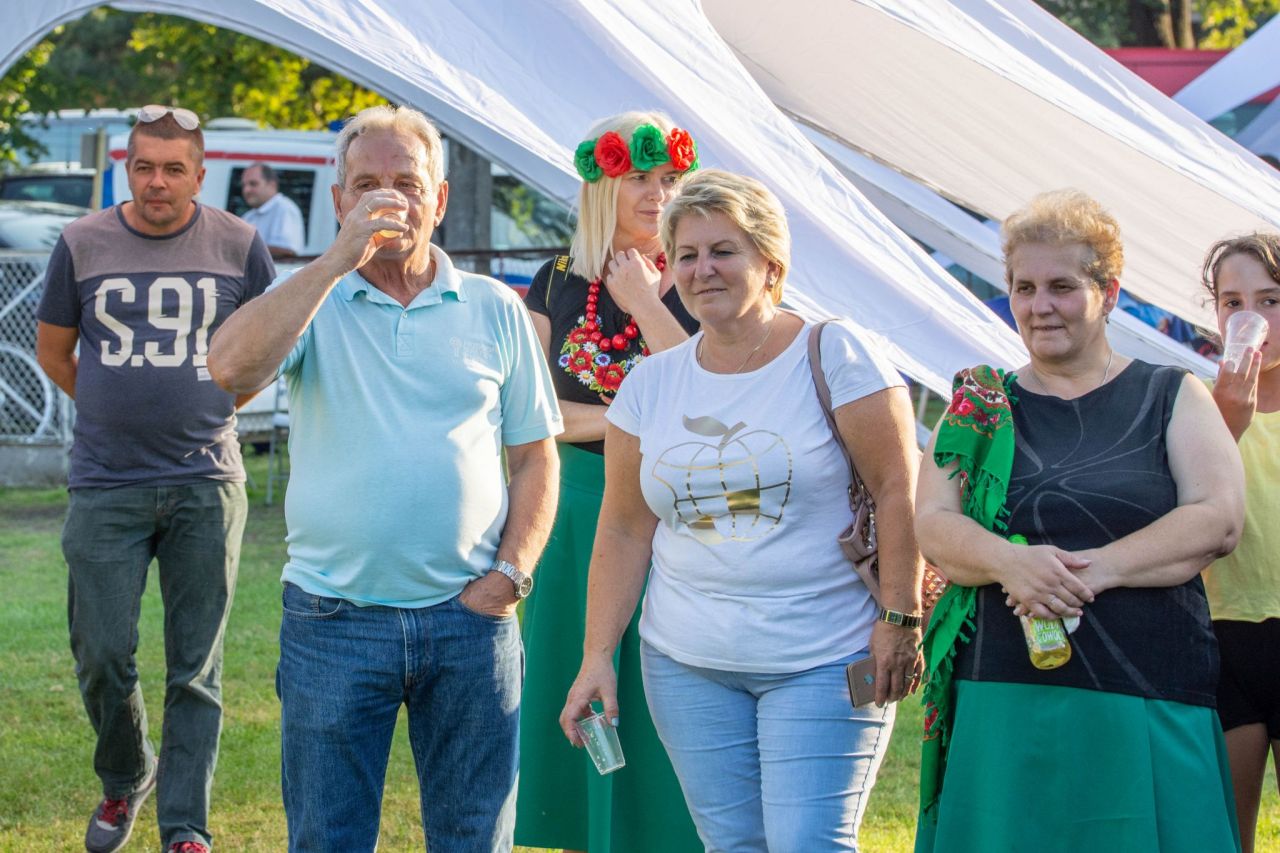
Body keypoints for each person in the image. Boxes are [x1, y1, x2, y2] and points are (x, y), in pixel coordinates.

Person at [205, 104, 561, 852]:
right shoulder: (313, 298)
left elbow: (535, 456)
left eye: (407, 182)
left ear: (440, 198)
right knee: (327, 837)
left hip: (471, 622)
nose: (388, 198)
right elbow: (229, 370)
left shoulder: (494, 307)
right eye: (366, 184)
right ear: (339, 201)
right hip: (334, 618)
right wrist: (335, 262)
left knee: (473, 837)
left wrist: (509, 578)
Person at [559, 169, 925, 851]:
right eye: (687, 255)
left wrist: (900, 620)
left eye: (724, 251)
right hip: (685, 664)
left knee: (808, 843)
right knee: (731, 847)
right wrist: (597, 655)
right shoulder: (649, 383)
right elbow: (625, 527)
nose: (703, 270)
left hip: (825, 655)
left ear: (771, 263)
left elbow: (898, 490)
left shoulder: (835, 354)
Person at [914, 189, 1245, 852]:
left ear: (1109, 292)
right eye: (1024, 287)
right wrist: (1013, 563)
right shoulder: (980, 404)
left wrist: (1087, 573)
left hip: (1147, 689)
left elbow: (1218, 517)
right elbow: (934, 523)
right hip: (1004, 693)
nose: (1040, 306)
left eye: (1061, 286)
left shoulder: (1171, 394)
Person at [34, 104, 274, 853]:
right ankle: (126, 774)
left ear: (200, 175)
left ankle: (185, 827)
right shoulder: (81, 242)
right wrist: (114, 410)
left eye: (174, 168)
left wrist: (209, 408)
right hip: (106, 482)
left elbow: (266, 350)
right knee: (101, 652)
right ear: (125, 170)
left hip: (207, 481)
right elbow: (55, 353)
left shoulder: (240, 245)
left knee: (196, 668)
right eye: (144, 167)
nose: (157, 181)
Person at [516, 111, 702, 853]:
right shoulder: (555, 281)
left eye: (671, 179)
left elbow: (704, 395)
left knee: (665, 678)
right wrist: (632, 416)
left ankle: (668, 834)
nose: (659, 195)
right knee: (578, 668)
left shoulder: (702, 274)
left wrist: (648, 303)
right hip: (576, 508)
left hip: (671, 508)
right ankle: (583, 833)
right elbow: (532, 411)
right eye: (640, 179)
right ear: (603, 188)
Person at [1201, 233, 1280, 853]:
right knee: (1226, 834)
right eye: (1233, 302)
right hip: (1222, 635)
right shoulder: (1194, 406)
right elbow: (1180, 507)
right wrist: (1225, 420)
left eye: (1269, 300)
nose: (1251, 318)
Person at [239, 162, 305, 259]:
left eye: (253, 184)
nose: (246, 190)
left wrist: (243, 248)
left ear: (272, 185)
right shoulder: (249, 216)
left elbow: (287, 250)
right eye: (244, 185)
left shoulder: (285, 209)